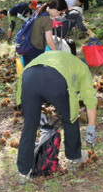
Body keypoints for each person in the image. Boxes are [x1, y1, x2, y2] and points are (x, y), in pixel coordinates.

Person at [15, 51, 97, 185]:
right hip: (53, 78)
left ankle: (24, 172)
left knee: (29, 126)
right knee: (70, 117)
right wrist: (91, 127)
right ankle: (74, 157)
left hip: (28, 76)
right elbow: (90, 99)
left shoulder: (64, 59)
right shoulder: (83, 69)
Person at [20, 0, 68, 66]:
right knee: (36, 70)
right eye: (59, 13)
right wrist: (57, 53)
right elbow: (49, 41)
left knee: (29, 69)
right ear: (55, 10)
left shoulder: (41, 9)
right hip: (33, 48)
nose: (58, 15)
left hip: (27, 44)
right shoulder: (47, 18)